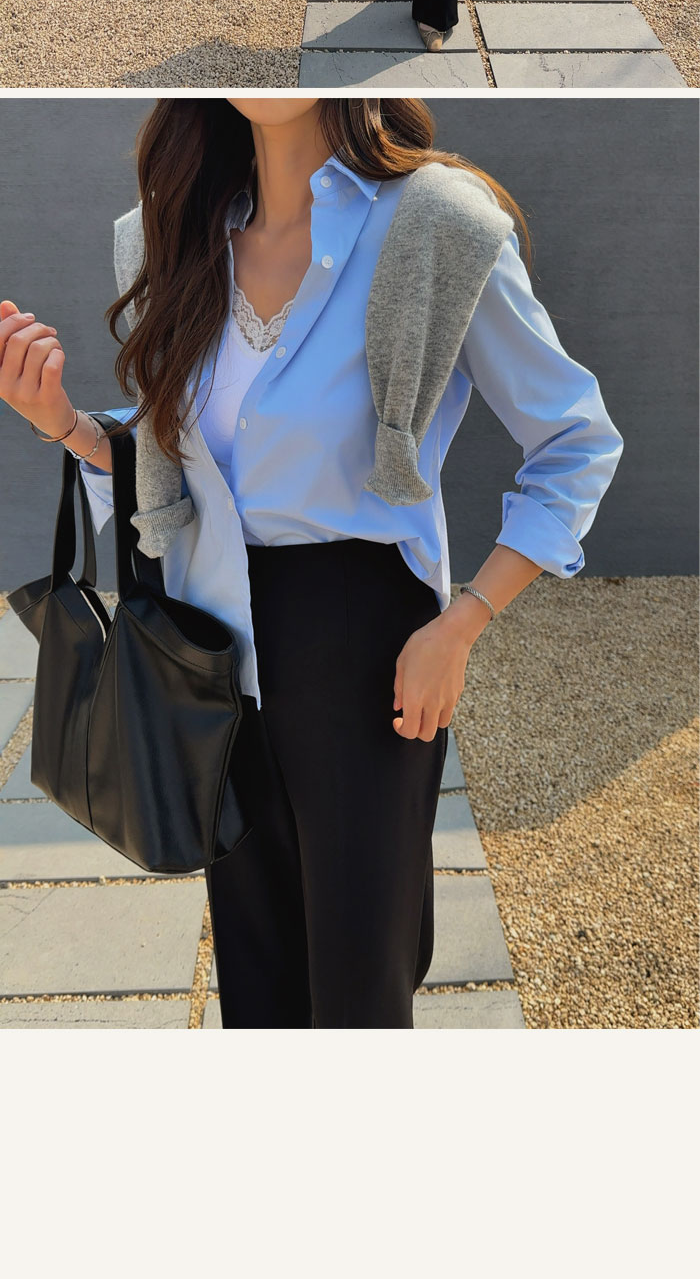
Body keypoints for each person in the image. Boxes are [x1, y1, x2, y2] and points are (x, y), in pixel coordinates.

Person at [0, 86, 622, 1028]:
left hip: (364, 650)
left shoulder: (435, 224)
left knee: (360, 990)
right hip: (208, 651)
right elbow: (179, 463)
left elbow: (576, 440)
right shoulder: (173, 233)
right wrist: (64, 424)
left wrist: (462, 622)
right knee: (258, 986)